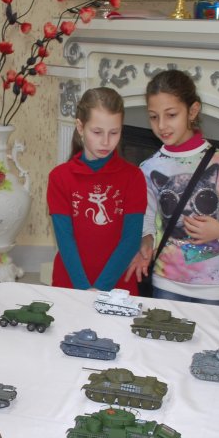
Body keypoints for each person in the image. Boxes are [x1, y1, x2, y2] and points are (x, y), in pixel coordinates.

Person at [126, 69, 219, 305]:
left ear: (192, 111)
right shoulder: (149, 168)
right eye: (153, 117)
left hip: (215, 287)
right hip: (166, 282)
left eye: (171, 115)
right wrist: (147, 240)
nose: (162, 125)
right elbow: (148, 216)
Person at [47, 87, 146, 294]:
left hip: (118, 287)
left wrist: (101, 288)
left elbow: (130, 240)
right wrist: (84, 289)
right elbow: (65, 240)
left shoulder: (134, 177)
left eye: (114, 132)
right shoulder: (59, 177)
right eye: (97, 132)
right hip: (71, 284)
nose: (106, 142)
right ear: (80, 127)